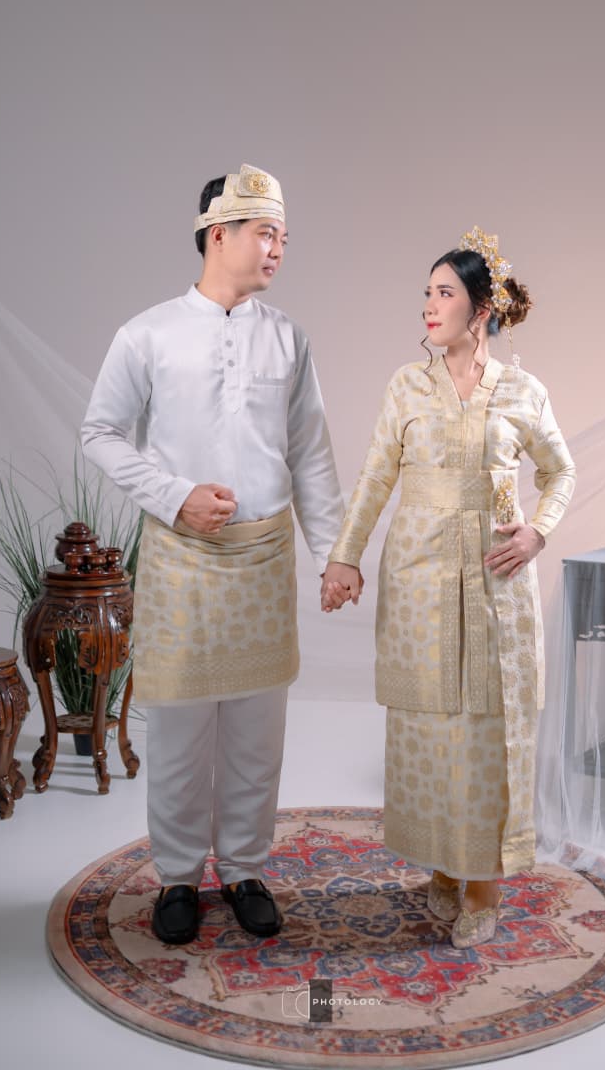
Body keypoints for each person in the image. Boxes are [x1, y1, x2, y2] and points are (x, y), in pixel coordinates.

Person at [81, 164, 343, 945]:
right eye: (265, 233)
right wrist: (174, 495)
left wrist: (333, 553)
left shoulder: (288, 338)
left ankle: (245, 869)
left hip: (263, 560)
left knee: (258, 733)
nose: (278, 248)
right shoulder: (148, 334)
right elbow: (100, 432)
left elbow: (312, 454)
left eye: (284, 236)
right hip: (182, 558)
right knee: (179, 731)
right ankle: (176, 878)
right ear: (216, 233)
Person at [321, 227, 575, 948]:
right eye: (426, 294)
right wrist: (345, 558)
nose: (429, 307)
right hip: (419, 580)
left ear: (481, 309)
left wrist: (538, 532)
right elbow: (376, 477)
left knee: (486, 731)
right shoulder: (407, 384)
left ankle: (483, 885)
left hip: (495, 583)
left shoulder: (523, 390)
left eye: (444, 293)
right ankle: (441, 866)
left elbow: (560, 470)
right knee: (431, 730)